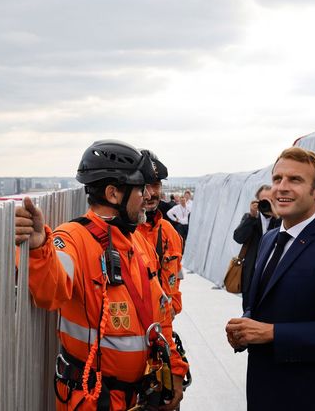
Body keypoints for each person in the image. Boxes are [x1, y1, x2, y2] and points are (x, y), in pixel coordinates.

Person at [15, 140, 188, 410]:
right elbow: (51, 291)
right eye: (140, 189)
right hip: (94, 399)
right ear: (113, 194)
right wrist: (39, 248)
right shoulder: (72, 238)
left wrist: (174, 370)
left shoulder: (137, 241)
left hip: (139, 395)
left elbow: (160, 314)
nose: (146, 197)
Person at [225, 147, 315, 411]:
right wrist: (245, 327)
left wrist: (273, 333)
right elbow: (262, 302)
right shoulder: (269, 239)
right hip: (261, 391)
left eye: (295, 180)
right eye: (277, 179)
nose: (281, 187)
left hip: (307, 397)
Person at [136, 150, 184, 317]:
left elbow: (176, 276)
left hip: (163, 333)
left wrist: (174, 307)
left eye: (156, 185)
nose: (151, 193)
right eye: (145, 185)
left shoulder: (170, 232)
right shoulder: (121, 234)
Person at [233, 184, 280, 310]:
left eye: (271, 200)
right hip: (251, 276)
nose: (267, 203)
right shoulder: (251, 218)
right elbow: (238, 238)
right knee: (249, 312)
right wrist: (251, 217)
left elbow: (285, 239)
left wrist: (277, 216)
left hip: (272, 276)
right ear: (257, 201)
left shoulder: (281, 220)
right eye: (264, 200)